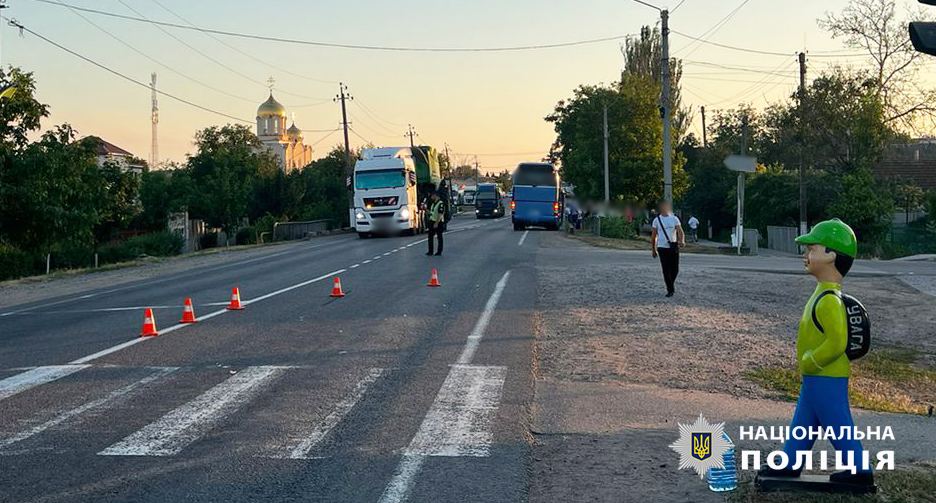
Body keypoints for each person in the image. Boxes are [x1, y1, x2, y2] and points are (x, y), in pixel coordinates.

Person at [758, 219, 873, 488]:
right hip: (815, 376)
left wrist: (813, 359)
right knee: (805, 421)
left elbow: (837, 342)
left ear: (832, 255)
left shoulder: (830, 301)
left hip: (826, 374)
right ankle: (789, 462)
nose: (806, 255)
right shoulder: (822, 295)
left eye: (813, 249)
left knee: (837, 422)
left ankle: (858, 468)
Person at [650, 200, 685, 297]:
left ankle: (670, 283)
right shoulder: (656, 220)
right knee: (666, 269)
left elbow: (680, 231)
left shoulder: (674, 219)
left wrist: (682, 240)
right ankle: (670, 290)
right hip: (662, 247)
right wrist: (654, 249)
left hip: (673, 246)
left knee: (675, 269)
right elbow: (653, 236)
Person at [427, 191, 445, 256]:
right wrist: (427, 211)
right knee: (430, 237)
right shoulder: (433, 204)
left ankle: (439, 251)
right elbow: (432, 213)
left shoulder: (440, 203)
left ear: (435, 196)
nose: (431, 197)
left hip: (438, 222)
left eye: (432, 196)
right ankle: (430, 251)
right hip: (432, 221)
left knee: (439, 237)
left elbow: (440, 214)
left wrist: (436, 223)